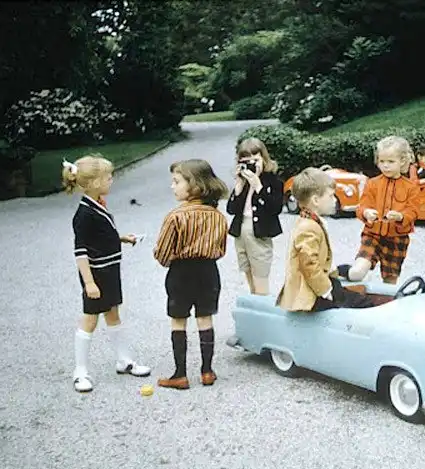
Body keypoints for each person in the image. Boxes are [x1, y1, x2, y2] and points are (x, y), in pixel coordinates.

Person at [62, 155, 151, 393]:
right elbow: (81, 252)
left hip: (110, 270)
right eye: (108, 177)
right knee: (90, 320)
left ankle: (124, 360)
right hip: (96, 274)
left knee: (113, 314)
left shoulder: (97, 205)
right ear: (93, 183)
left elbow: (99, 236)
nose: (112, 180)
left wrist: (121, 238)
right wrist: (89, 283)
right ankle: (80, 371)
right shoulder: (83, 214)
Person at [153, 159, 230, 389]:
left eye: (177, 182)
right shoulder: (217, 216)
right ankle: (207, 371)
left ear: (195, 185)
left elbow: (162, 253)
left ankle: (180, 374)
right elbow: (221, 249)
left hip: (181, 272)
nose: (173, 186)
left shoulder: (175, 216)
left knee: (179, 319)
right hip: (209, 271)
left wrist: (168, 260)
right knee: (205, 318)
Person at [276, 167, 374, 312]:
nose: (334, 200)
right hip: (312, 294)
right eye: (331, 196)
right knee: (363, 304)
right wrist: (326, 290)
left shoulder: (311, 221)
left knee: (355, 297)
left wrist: (334, 274)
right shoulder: (307, 227)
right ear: (316, 200)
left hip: (319, 284)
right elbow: (309, 263)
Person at [337, 136, 421, 285]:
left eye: (391, 161)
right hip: (372, 234)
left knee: (390, 280)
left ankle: (384, 298)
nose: (385, 166)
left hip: (397, 238)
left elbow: (413, 211)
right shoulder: (372, 183)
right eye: (382, 161)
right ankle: (342, 273)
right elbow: (361, 206)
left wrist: (401, 216)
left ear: (402, 161)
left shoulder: (411, 187)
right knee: (358, 272)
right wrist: (366, 213)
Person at [226, 137, 284, 295]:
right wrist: (239, 185)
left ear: (264, 158)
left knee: (261, 279)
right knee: (249, 275)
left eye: (255, 160)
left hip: (259, 232)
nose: (251, 165)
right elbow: (231, 209)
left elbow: (275, 208)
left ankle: (262, 305)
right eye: (246, 161)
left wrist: (258, 185)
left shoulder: (273, 181)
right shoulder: (243, 181)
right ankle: (254, 303)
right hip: (241, 231)